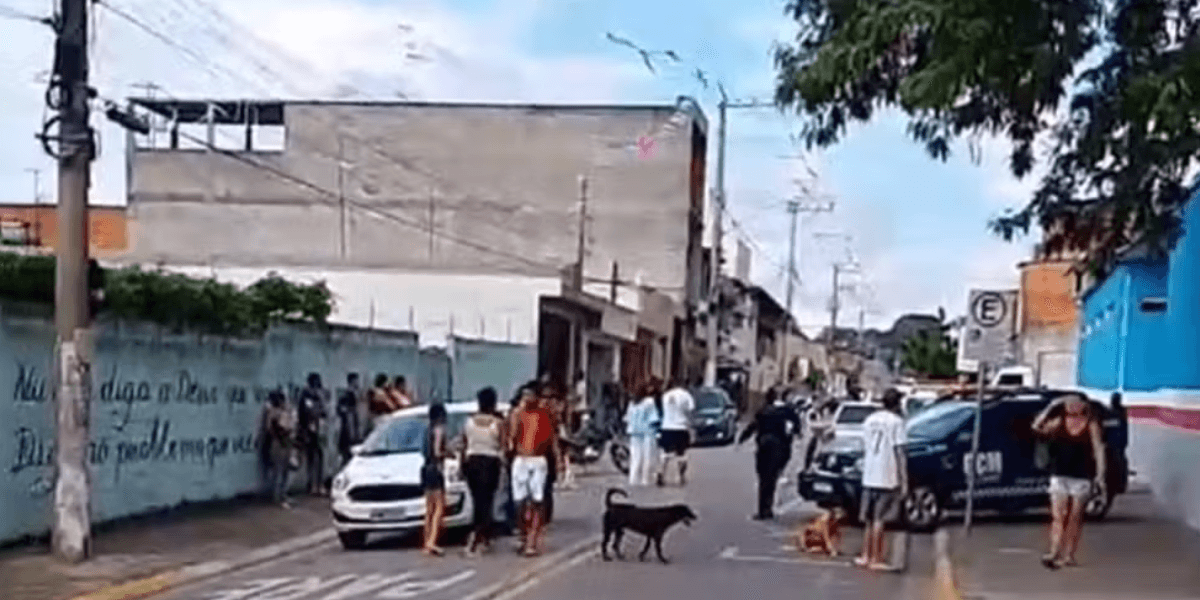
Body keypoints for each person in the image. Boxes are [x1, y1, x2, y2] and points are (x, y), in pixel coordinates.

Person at [1032, 393, 1107, 570]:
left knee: (1075, 517)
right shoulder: (1059, 421)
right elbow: (1037, 427)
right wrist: (1051, 407)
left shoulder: (1091, 425)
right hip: (1060, 474)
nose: (1072, 406)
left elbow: (1099, 449)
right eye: (1069, 404)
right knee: (1058, 516)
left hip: (1082, 476)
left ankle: (1069, 555)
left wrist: (1100, 476)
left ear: (1084, 407)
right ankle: (1054, 552)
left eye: (1076, 403)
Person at [856, 388, 907, 570]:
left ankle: (865, 555)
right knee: (880, 519)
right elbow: (900, 452)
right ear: (897, 404)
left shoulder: (869, 420)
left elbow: (864, 445)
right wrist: (904, 480)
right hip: (887, 476)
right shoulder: (897, 423)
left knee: (869, 519)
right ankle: (876, 557)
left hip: (869, 475)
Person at [509, 384, 562, 557]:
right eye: (525, 396)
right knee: (519, 502)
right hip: (521, 459)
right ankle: (523, 534)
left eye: (530, 396)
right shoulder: (517, 414)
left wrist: (559, 460)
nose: (527, 399)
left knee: (537, 501)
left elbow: (553, 439)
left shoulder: (545, 414)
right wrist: (517, 414)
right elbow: (511, 439)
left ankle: (532, 541)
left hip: (538, 460)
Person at [739, 387, 800, 520]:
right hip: (779, 448)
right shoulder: (786, 411)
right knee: (771, 478)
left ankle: (763, 510)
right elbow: (796, 426)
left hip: (764, 446)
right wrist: (794, 434)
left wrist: (742, 438)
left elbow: (753, 426)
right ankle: (767, 508)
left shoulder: (763, 411)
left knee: (763, 479)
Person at [461, 387, 506, 557]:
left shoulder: (469, 422)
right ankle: (482, 535)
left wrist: (462, 464)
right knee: (488, 499)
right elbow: (503, 444)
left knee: (477, 499)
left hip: (472, 461)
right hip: (490, 462)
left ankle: (478, 532)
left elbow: (464, 443)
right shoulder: (497, 423)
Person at [421, 402, 449, 556]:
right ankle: (433, 541)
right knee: (439, 507)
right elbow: (438, 452)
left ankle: (426, 542)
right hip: (436, 469)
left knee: (429, 509)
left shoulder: (427, 430)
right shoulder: (439, 430)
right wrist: (448, 453)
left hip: (425, 469)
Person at [657, 377, 695, 486]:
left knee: (665, 453)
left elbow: (662, 411)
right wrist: (691, 426)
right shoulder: (686, 395)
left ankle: (661, 472)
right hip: (681, 427)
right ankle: (681, 476)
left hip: (667, 427)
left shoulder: (666, 395)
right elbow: (691, 410)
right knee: (681, 453)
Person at [262, 390, 296, 508]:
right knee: (279, 471)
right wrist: (282, 435)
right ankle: (277, 498)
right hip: (278, 443)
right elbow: (271, 429)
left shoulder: (284, 411)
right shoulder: (272, 412)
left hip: (286, 442)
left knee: (285, 470)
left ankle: (283, 495)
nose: (282, 402)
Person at [297, 373, 329, 496]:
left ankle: (319, 484)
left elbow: (324, 411)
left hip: (319, 429)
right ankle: (312, 485)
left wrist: (321, 413)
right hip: (309, 429)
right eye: (315, 381)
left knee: (319, 457)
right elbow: (305, 412)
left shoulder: (320, 394)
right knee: (311, 457)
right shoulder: (306, 394)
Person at [625, 380, 662, 487]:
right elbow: (653, 418)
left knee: (635, 457)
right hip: (647, 432)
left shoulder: (631, 404)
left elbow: (628, 419)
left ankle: (633, 479)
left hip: (634, 433)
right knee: (648, 457)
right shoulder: (649, 402)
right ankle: (646, 479)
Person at [336, 373, 363, 467]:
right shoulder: (347, 395)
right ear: (352, 381)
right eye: (356, 381)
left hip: (351, 431)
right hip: (349, 432)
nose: (358, 383)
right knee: (348, 457)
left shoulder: (352, 394)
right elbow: (343, 411)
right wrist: (353, 434)